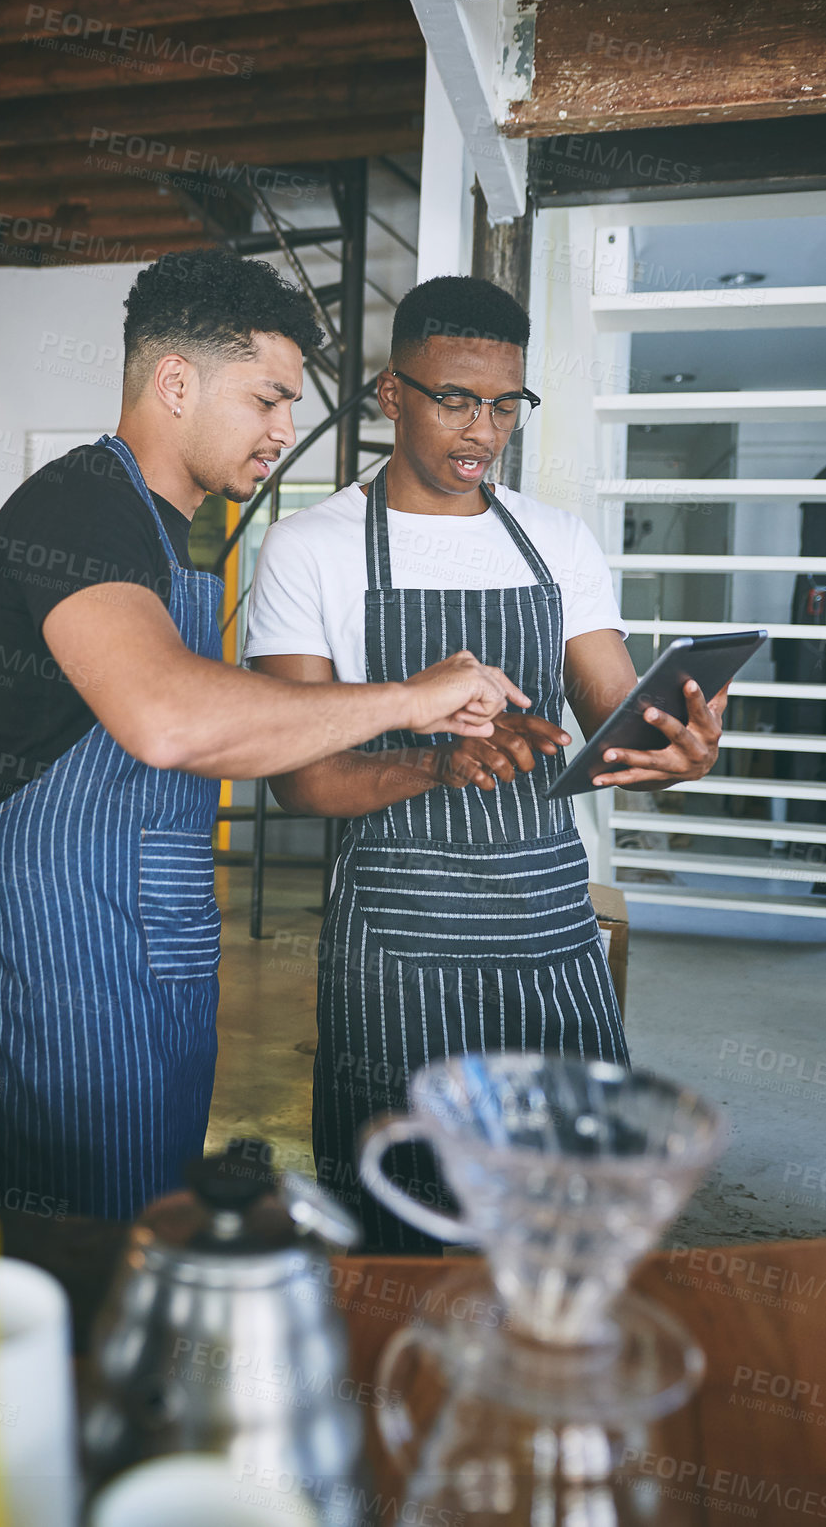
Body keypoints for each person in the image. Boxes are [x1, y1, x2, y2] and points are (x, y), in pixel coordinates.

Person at [0, 251, 526, 1220]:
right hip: (71, 970)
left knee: (154, 1224)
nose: (284, 430)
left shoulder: (171, 535)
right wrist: (404, 696)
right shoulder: (80, 507)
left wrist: (427, 757)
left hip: (160, 957)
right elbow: (170, 717)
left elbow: (246, 740)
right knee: (85, 1249)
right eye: (267, 399)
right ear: (175, 381)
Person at [245, 275, 728, 1249]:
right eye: (454, 399)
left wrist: (675, 750)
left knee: (570, 1200)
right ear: (391, 393)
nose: (482, 430)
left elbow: (613, 709)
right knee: (402, 1214)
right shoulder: (311, 550)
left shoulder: (555, 542)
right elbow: (295, 775)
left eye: (505, 404)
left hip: (548, 929)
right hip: (394, 943)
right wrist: (432, 767)